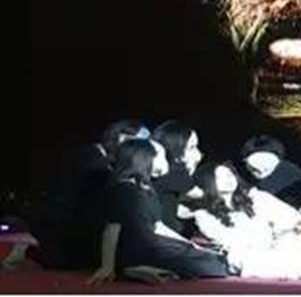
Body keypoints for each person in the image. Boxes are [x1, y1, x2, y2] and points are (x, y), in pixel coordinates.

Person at [88, 139, 228, 284]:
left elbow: (158, 226)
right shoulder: (124, 189)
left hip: (156, 243)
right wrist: (107, 266)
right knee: (210, 266)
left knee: (213, 258)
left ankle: (146, 268)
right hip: (138, 248)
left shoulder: (147, 189)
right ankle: (134, 267)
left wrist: (190, 245)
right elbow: (112, 228)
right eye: (158, 156)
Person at [25, 119, 145, 269]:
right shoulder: (92, 160)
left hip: (73, 216)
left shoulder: (101, 159)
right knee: (71, 262)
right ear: (119, 138)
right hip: (60, 219)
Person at [152, 120, 204, 235]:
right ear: (176, 147)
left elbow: (173, 207)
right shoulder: (173, 170)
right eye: (192, 147)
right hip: (162, 236)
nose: (198, 154)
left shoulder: (158, 169)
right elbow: (201, 195)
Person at [237, 135, 301, 204]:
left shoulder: (292, 176)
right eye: (254, 168)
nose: (261, 171)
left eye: (267, 168)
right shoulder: (236, 174)